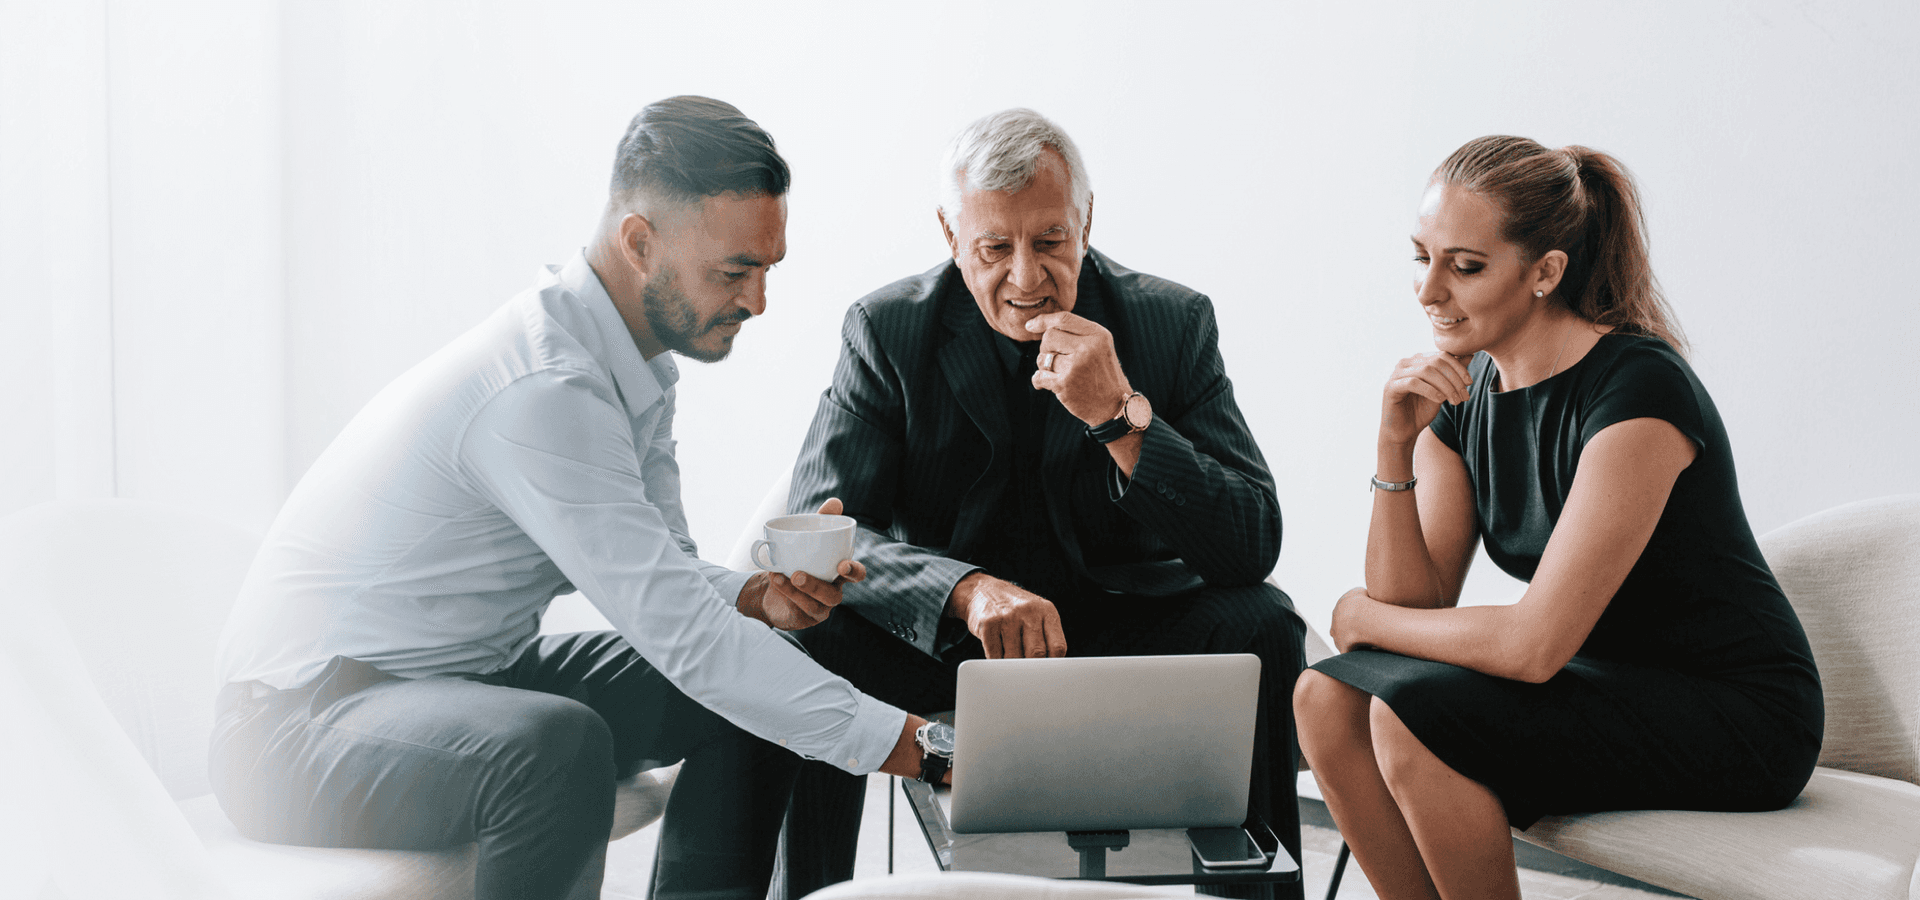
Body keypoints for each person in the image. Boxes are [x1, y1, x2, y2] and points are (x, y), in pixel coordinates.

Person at [211, 96, 952, 900]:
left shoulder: (632, 369)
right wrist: (926, 748)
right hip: (294, 728)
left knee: (761, 675)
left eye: (767, 269)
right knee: (556, 744)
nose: (758, 301)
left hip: (462, 679)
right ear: (639, 241)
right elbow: (685, 634)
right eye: (734, 271)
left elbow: (666, 576)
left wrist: (755, 597)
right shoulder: (545, 392)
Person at [776, 108, 1308, 900]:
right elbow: (822, 536)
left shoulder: (1172, 321)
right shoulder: (885, 331)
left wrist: (1121, 417)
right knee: (807, 630)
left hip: (1123, 632)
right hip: (953, 651)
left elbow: (1250, 543)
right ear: (951, 237)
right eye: (995, 248)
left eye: (1050, 241)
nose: (1026, 277)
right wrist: (962, 590)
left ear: (1086, 222)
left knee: (1264, 622)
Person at [1293, 135, 1824, 900]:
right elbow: (1417, 607)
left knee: (1413, 717)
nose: (1428, 291)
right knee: (1327, 696)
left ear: (1546, 272)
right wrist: (1394, 445)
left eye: (1464, 265)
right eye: (1422, 256)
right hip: (1600, 684)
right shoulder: (1464, 391)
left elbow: (1532, 646)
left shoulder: (1640, 391)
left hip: (1736, 710)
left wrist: (1357, 614)